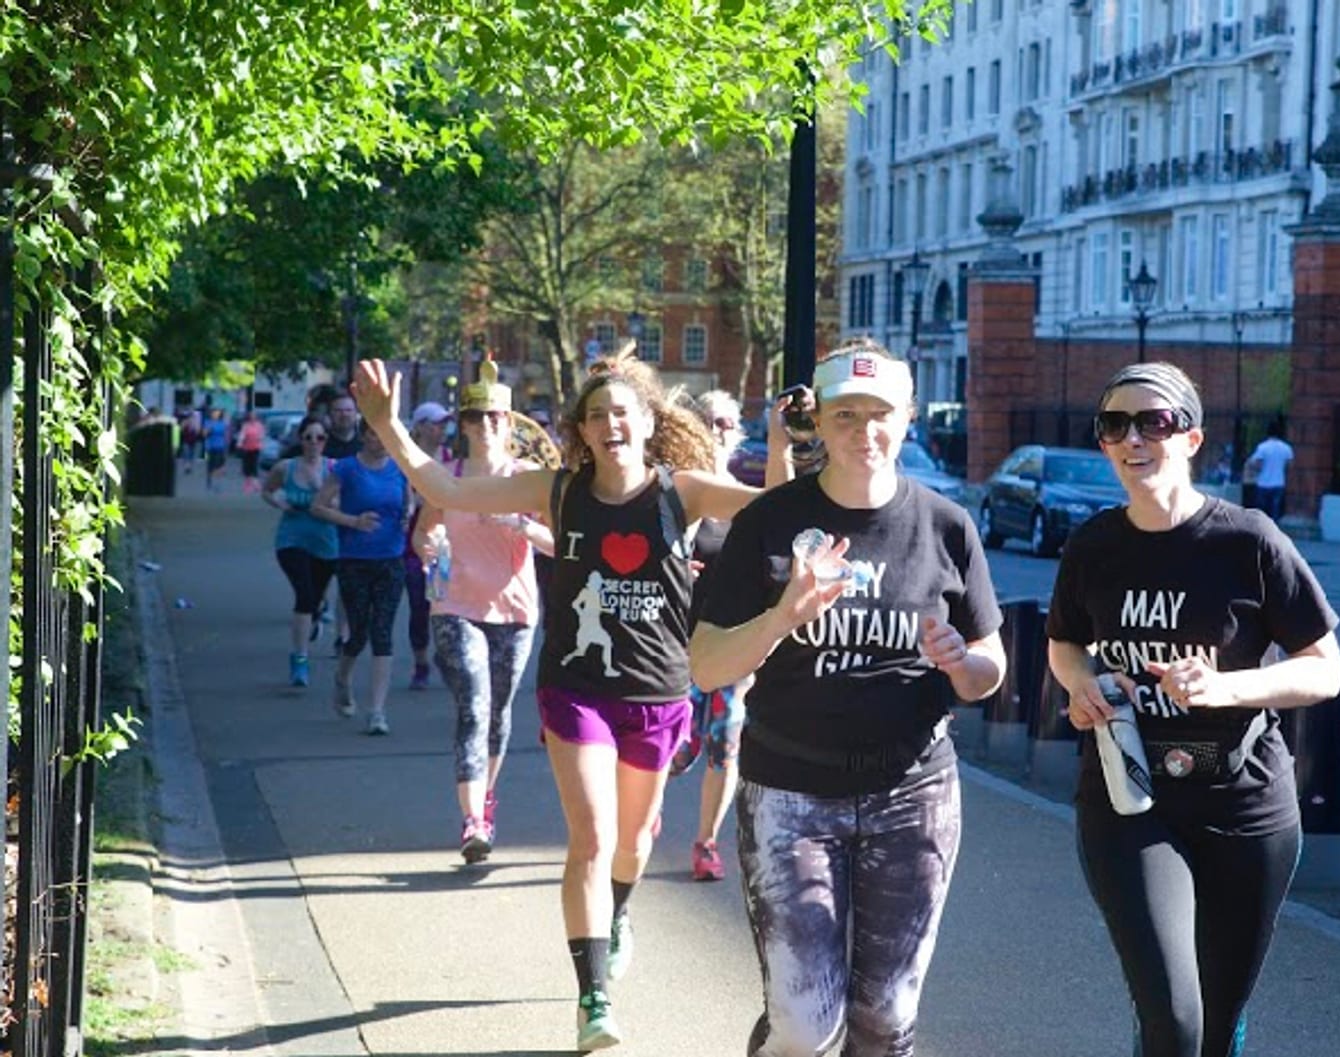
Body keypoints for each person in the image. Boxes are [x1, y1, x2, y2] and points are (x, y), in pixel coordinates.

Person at [352, 346, 779, 1052]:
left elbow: (774, 507)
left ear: (646, 422)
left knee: (635, 843)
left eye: (622, 412)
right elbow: (447, 489)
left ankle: (616, 915)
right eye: (597, 415)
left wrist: (804, 446)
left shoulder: (685, 491)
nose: (610, 424)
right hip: (576, 690)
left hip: (659, 693)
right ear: (581, 430)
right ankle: (594, 998)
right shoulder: (556, 490)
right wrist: (389, 425)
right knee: (591, 836)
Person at [689, 339, 1007, 1057]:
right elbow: (706, 666)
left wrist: (963, 664)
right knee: (804, 1027)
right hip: (791, 791)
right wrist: (780, 618)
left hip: (913, 793)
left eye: (881, 414)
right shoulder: (769, 523)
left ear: (908, 418)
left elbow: (992, 664)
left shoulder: (945, 526)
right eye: (846, 414)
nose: (865, 431)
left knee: (885, 1020)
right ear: (821, 422)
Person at [1044, 361, 1340, 1057]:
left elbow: (1324, 669)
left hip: (1245, 804)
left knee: (1214, 1023)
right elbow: (1064, 644)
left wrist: (1225, 688)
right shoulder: (1093, 545)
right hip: (1129, 799)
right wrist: (1081, 683)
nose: (1133, 438)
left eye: (1154, 421)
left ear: (1192, 437)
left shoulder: (1249, 540)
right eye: (1115, 425)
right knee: (1173, 1018)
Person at [411, 365, 555, 862]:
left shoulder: (528, 481)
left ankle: (487, 801)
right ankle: (473, 819)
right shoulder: (447, 478)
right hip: (454, 605)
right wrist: (429, 548)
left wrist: (521, 524)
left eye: (498, 418)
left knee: (498, 711)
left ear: (509, 425)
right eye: (481, 418)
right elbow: (422, 534)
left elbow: (562, 545)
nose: (490, 426)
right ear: (466, 425)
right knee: (473, 704)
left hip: (514, 610)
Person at [668, 390, 754, 882]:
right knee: (675, 751)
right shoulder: (677, 495)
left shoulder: (746, 500)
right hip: (676, 645)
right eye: (709, 421)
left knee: (725, 744)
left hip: (729, 644)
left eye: (726, 422)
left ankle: (706, 843)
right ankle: (642, 822)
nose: (718, 430)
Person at [313, 418, 410, 735]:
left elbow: (411, 504)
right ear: (363, 436)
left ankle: (377, 711)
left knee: (382, 632)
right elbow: (318, 507)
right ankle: (342, 677)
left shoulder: (400, 468)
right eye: (373, 434)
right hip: (354, 559)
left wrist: (410, 518)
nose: (379, 441)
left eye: (385, 436)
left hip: (391, 559)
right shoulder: (346, 469)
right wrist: (352, 521)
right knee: (359, 634)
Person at [261, 416, 340, 686]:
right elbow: (267, 491)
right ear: (300, 439)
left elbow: (345, 503)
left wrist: (324, 495)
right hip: (291, 540)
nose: (314, 443)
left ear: (326, 441)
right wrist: (281, 505)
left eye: (320, 438)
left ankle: (315, 616)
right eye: (308, 437)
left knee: (315, 598)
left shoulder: (334, 468)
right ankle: (300, 660)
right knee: (304, 595)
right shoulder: (286, 467)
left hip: (326, 543)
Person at [403, 401, 454, 690]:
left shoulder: (450, 459)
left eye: (444, 423)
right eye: (436, 423)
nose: (442, 429)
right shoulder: (406, 461)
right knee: (419, 606)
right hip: (411, 545)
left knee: (442, 605)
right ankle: (420, 662)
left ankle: (443, 655)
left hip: (442, 547)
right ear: (420, 426)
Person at [1245, 420, 1293, 522]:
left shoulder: (1263, 447)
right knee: (1275, 511)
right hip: (1279, 482)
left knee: (1262, 512)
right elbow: (1289, 465)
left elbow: (1256, 463)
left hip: (1263, 482)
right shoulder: (1286, 448)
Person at [237, 411, 266, 495]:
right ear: (249, 417)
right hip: (247, 448)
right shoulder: (246, 425)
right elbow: (242, 435)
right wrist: (239, 443)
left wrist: (260, 442)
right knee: (247, 466)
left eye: (254, 416)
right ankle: (248, 484)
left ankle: (256, 484)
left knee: (254, 465)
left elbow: (262, 435)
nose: (252, 418)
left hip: (256, 448)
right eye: (251, 416)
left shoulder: (259, 425)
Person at [202, 407, 231, 491]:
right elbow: (204, 434)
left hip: (220, 447)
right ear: (211, 414)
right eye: (214, 413)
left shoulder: (222, 423)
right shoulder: (207, 422)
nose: (216, 415)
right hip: (210, 447)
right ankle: (209, 481)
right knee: (210, 465)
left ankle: (217, 483)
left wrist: (227, 446)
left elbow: (225, 434)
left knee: (218, 465)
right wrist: (209, 429)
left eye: (217, 413)